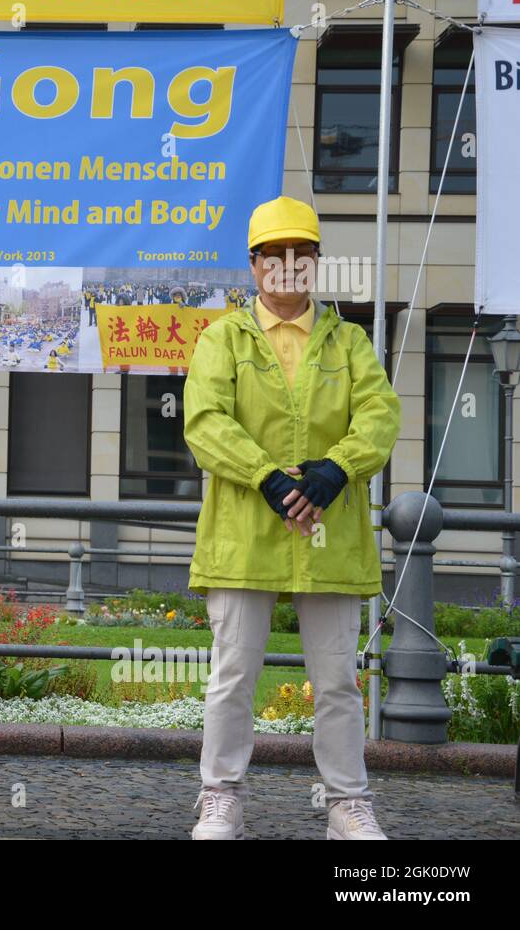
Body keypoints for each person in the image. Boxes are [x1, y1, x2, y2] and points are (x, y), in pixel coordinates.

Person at [182, 196, 401, 840]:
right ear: (253, 265)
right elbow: (205, 421)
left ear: (315, 264)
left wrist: (337, 468)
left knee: (336, 680)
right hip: (245, 532)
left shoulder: (350, 340)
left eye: (300, 255)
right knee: (232, 677)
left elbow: (380, 413)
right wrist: (266, 476)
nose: (287, 266)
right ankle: (220, 796)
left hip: (328, 534)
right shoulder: (221, 338)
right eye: (274, 255)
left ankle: (347, 804)